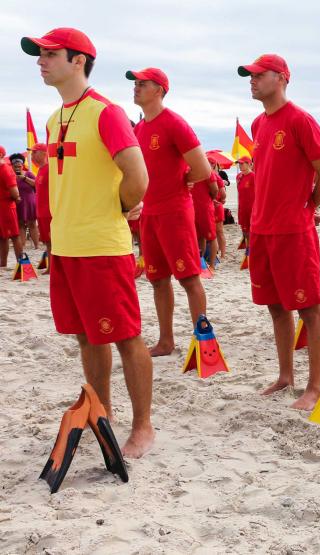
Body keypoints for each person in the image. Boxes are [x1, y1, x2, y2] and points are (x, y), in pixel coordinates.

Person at [23, 27, 154, 457]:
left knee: (125, 337)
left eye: (49, 54)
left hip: (102, 247)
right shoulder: (54, 118)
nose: (41, 61)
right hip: (64, 248)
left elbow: (138, 176)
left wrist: (117, 208)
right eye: (39, 55)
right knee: (85, 337)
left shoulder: (106, 112)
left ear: (78, 60)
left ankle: (143, 427)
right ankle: (103, 413)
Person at [238, 53, 320, 410]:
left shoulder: (300, 120)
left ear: (281, 78)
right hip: (263, 230)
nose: (251, 80)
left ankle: (313, 386)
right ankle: (285, 376)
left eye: (257, 75)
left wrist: (308, 205)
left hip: (293, 230)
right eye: (249, 76)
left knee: (308, 307)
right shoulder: (257, 124)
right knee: (276, 307)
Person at [128, 66, 214, 356]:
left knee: (189, 278)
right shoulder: (139, 128)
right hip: (149, 214)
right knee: (157, 279)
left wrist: (183, 183)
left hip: (175, 211)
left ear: (159, 91)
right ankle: (166, 341)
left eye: (143, 83)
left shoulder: (174, 123)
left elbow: (202, 169)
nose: (136, 87)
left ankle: (203, 340)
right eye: (135, 83)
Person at [0, 146, 23, 267]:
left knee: (14, 235)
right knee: (2, 236)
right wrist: (16, 197)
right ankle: (3, 264)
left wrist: (16, 197)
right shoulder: (4, 169)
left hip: (7, 206)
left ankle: (21, 263)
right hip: (4, 204)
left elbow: (14, 191)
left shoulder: (6, 169)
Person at [10, 153, 39, 249]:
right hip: (17, 203)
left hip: (30, 202)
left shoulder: (28, 174)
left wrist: (25, 178)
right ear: (12, 166)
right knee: (20, 224)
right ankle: (22, 246)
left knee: (32, 224)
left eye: (19, 166)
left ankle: (37, 246)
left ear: (22, 165)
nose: (17, 168)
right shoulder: (10, 175)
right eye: (15, 166)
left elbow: (37, 184)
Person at [30, 143, 50, 266]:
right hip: (41, 211)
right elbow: (38, 186)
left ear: (44, 154)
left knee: (51, 242)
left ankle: (52, 268)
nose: (32, 156)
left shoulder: (49, 169)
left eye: (34, 152)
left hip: (48, 211)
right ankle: (50, 266)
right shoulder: (41, 169)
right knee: (46, 242)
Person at [236, 155, 255, 246]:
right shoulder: (238, 177)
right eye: (239, 164)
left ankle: (251, 250)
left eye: (242, 163)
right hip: (242, 208)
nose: (240, 166)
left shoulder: (254, 176)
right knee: (245, 231)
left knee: (253, 231)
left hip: (252, 208)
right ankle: (248, 249)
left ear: (249, 164)